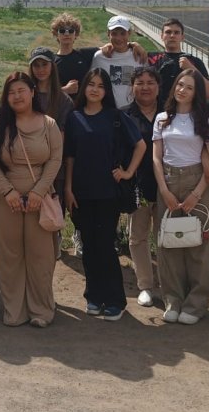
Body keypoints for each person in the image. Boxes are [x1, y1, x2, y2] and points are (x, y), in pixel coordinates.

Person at [0, 71, 63, 327]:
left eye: (21, 90)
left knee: (41, 256)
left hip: (41, 198)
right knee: (9, 255)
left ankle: (41, 310)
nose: (17, 96)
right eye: (11, 92)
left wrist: (39, 192)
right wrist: (7, 191)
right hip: (6, 198)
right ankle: (14, 311)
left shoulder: (48, 124)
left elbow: (55, 159)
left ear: (32, 92)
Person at [64, 69, 145, 321]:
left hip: (108, 193)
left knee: (106, 246)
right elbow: (70, 156)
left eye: (100, 85)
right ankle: (93, 296)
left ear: (106, 90)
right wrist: (68, 188)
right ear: (84, 87)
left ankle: (114, 300)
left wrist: (128, 172)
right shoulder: (74, 117)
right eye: (91, 84)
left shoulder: (115, 117)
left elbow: (140, 145)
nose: (95, 89)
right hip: (81, 193)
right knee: (88, 247)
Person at [152, 69, 209, 325]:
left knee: (197, 243)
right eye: (180, 85)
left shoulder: (205, 119)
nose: (182, 90)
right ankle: (173, 299)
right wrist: (164, 190)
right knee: (168, 243)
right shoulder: (162, 118)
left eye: (189, 87)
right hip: (168, 180)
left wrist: (197, 193)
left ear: (196, 93)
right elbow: (156, 157)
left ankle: (196, 303)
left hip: (197, 180)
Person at [29, 46, 76, 256]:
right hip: (27, 162)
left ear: (52, 67)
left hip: (54, 163)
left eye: (44, 65)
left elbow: (62, 136)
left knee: (53, 207)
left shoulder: (63, 100)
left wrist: (49, 160)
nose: (40, 69)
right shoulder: (27, 94)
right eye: (36, 65)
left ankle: (54, 244)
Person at [123, 66, 163, 307]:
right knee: (137, 237)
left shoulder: (171, 114)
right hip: (138, 188)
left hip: (167, 186)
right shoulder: (124, 115)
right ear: (132, 87)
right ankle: (145, 285)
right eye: (140, 83)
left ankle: (169, 285)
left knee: (165, 237)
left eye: (150, 82)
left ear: (158, 87)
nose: (145, 87)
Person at [147, 18, 209, 107]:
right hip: (157, 111)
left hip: (187, 112)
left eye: (176, 32)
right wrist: (134, 45)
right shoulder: (151, 58)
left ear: (182, 37)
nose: (172, 35)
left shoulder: (194, 61)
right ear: (162, 36)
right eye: (168, 32)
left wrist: (191, 68)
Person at [91, 15, 146, 108]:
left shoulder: (139, 56)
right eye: (114, 34)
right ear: (108, 34)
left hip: (133, 110)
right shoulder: (100, 57)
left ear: (129, 33)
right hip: (107, 110)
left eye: (122, 33)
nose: (118, 38)